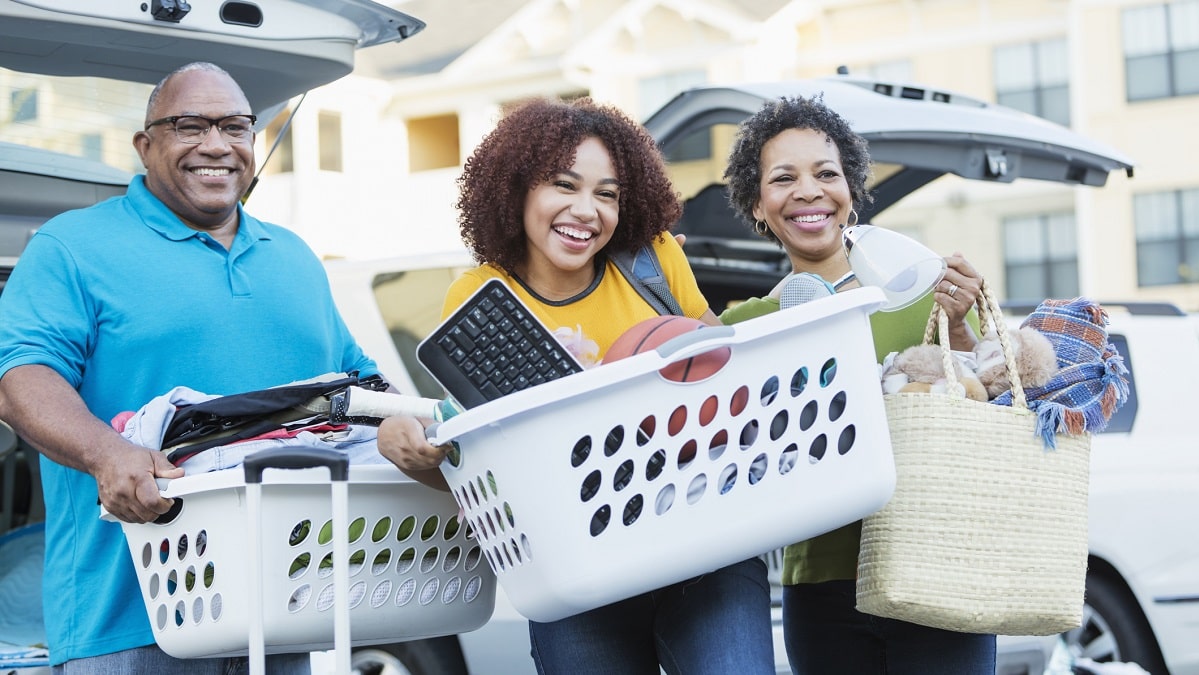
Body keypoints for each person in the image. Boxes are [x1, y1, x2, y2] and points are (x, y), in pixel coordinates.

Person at [0, 62, 378, 674]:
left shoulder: (296, 258)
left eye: (234, 126)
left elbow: (362, 391)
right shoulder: (72, 246)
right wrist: (108, 454)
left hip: (284, 616)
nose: (215, 144)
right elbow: (22, 381)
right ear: (145, 146)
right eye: (188, 125)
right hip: (127, 627)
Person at [376, 97, 775, 675]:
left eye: (607, 194)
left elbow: (728, 383)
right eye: (565, 185)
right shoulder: (482, 296)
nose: (586, 211)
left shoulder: (654, 260)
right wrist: (411, 452)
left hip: (703, 544)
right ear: (516, 191)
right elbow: (490, 466)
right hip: (576, 565)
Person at [718, 95, 996, 674]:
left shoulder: (923, 290)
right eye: (783, 178)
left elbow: (985, 412)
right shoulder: (743, 329)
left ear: (851, 191)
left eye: (826, 174)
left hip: (938, 563)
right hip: (822, 585)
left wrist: (962, 334)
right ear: (757, 203)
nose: (809, 191)